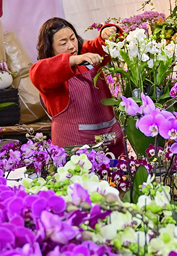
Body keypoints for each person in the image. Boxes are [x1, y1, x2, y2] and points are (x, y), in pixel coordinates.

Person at [30, 17, 125, 156]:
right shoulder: (49, 71)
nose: (71, 46)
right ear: (50, 49)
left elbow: (100, 46)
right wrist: (73, 59)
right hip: (76, 151)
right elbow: (38, 72)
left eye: (73, 38)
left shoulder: (86, 56)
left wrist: (107, 33)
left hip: (111, 143)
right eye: (63, 43)